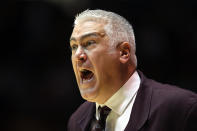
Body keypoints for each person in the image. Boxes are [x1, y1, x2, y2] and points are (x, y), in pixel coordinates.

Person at [67, 9, 197, 131]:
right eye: (73, 46)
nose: (78, 55)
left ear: (124, 52)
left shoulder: (182, 108)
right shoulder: (77, 120)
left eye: (89, 43)